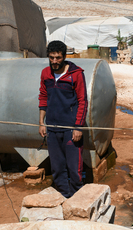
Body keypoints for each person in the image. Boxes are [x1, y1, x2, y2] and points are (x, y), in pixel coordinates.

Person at [38, 40, 88, 198]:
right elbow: (43, 98)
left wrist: (78, 127)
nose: (54, 61)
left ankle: (77, 198)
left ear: (64, 57)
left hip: (70, 128)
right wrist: (41, 123)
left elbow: (83, 101)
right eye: (51, 57)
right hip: (52, 128)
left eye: (58, 57)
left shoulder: (76, 74)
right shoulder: (46, 73)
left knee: (75, 167)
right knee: (57, 167)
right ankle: (64, 196)